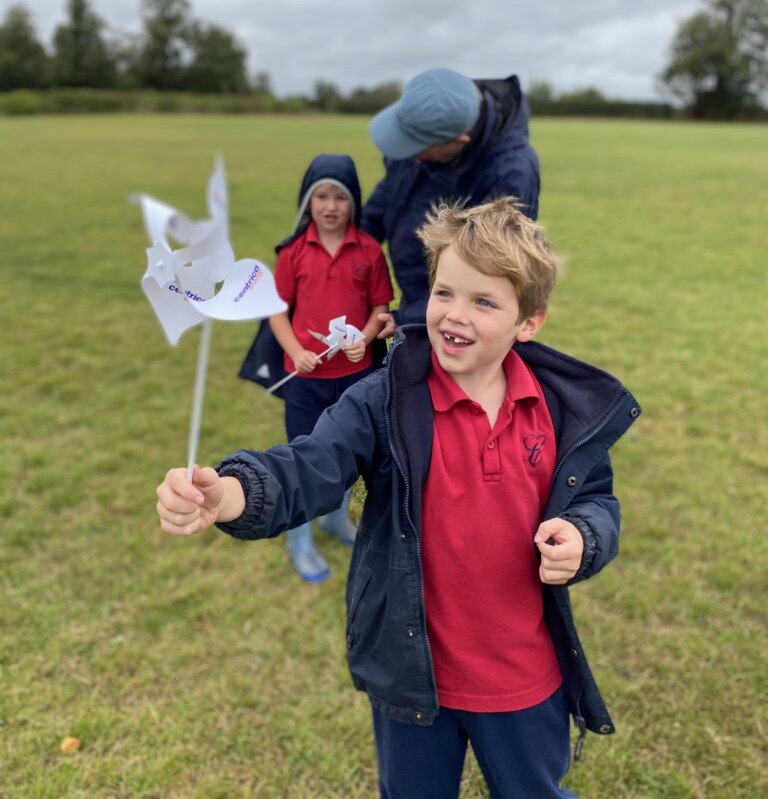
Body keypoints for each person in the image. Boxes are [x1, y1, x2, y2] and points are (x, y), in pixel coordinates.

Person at [156, 198, 640, 798]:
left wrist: (584, 537)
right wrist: (229, 493)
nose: (454, 315)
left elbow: (596, 500)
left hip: (524, 678)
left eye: (483, 301)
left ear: (529, 322)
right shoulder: (384, 400)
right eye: (444, 292)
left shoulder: (558, 410)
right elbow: (310, 466)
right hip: (413, 679)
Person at [251, 153, 393, 584]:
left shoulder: (369, 250)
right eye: (322, 196)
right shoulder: (294, 253)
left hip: (355, 380)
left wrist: (363, 341)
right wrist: (296, 351)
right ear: (308, 202)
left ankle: (334, 519)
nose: (331, 206)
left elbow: (379, 309)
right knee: (304, 460)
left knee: (351, 457)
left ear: (354, 203)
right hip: (307, 383)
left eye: (340, 197)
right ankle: (301, 541)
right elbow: (277, 313)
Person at [361, 67, 540, 334]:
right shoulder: (429, 116)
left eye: (417, 147)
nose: (409, 154)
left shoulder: (511, 174)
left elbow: (488, 276)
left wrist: (409, 317)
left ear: (459, 141)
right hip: (416, 302)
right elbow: (387, 196)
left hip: (457, 326)